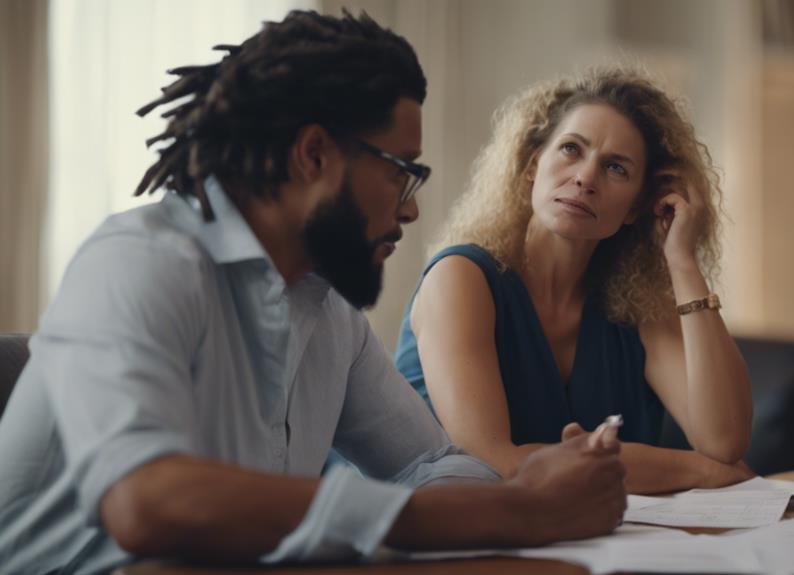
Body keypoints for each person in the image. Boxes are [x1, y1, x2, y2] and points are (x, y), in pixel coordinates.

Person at [0, 11, 626, 574]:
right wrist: (512, 510)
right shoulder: (140, 262)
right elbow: (147, 502)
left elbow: (433, 464)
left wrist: (495, 501)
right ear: (314, 154)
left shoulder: (327, 312)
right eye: (401, 173)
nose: (410, 211)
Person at [395, 67, 753, 494]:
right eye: (570, 149)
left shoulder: (634, 306)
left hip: (576, 531)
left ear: (638, 206)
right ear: (532, 166)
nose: (585, 178)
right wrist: (698, 471)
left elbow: (723, 442)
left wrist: (682, 262)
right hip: (408, 527)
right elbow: (491, 464)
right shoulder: (459, 278)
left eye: (616, 168)